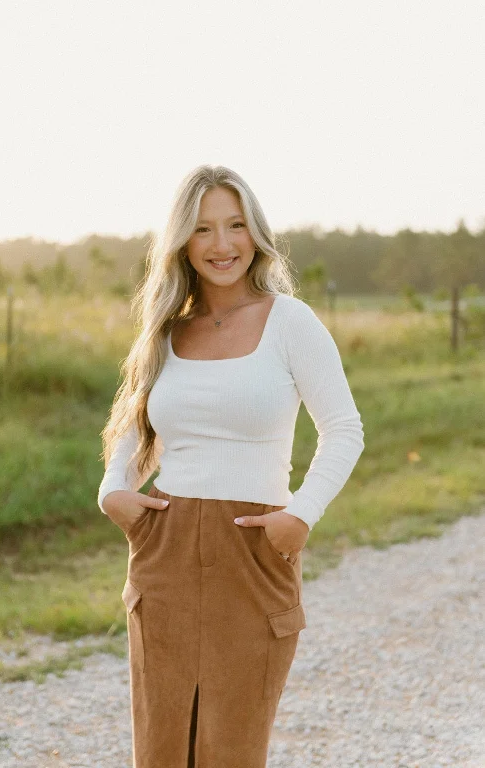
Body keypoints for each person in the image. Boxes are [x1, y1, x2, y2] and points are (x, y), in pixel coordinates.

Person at [97, 164, 365, 768]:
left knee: (232, 750)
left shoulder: (290, 322)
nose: (222, 244)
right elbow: (140, 428)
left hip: (255, 548)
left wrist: (300, 515)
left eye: (236, 225)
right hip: (164, 550)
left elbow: (344, 430)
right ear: (182, 244)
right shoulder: (165, 332)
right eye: (203, 229)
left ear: (256, 233)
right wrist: (114, 491)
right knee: (162, 750)